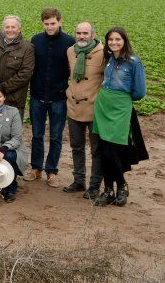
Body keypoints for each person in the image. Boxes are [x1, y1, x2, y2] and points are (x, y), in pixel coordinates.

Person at [92, 27, 148, 207]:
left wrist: (120, 100)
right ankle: (108, 190)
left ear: (124, 41)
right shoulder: (109, 59)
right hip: (103, 107)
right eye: (110, 39)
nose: (114, 43)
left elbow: (139, 92)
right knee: (102, 150)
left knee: (111, 151)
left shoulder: (133, 62)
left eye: (118, 39)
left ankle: (122, 186)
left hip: (120, 108)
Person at [24, 8, 75, 187]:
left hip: (59, 98)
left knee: (55, 137)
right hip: (38, 96)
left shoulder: (70, 42)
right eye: (46, 24)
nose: (50, 27)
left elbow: (73, 69)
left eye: (53, 23)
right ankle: (36, 168)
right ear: (42, 24)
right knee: (37, 135)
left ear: (60, 22)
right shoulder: (36, 40)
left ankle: (51, 171)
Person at [63, 22, 106, 199]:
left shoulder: (104, 54)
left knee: (97, 150)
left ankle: (95, 186)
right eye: (79, 33)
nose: (81, 36)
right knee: (76, 147)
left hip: (95, 109)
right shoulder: (70, 51)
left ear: (93, 35)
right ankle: (79, 180)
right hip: (74, 106)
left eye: (85, 33)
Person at [0, 15, 35, 118]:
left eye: (13, 27)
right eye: (7, 27)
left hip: (14, 101)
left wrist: (2, 88)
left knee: (13, 132)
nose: (10, 30)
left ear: (19, 28)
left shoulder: (27, 47)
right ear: (3, 29)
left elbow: (25, 74)